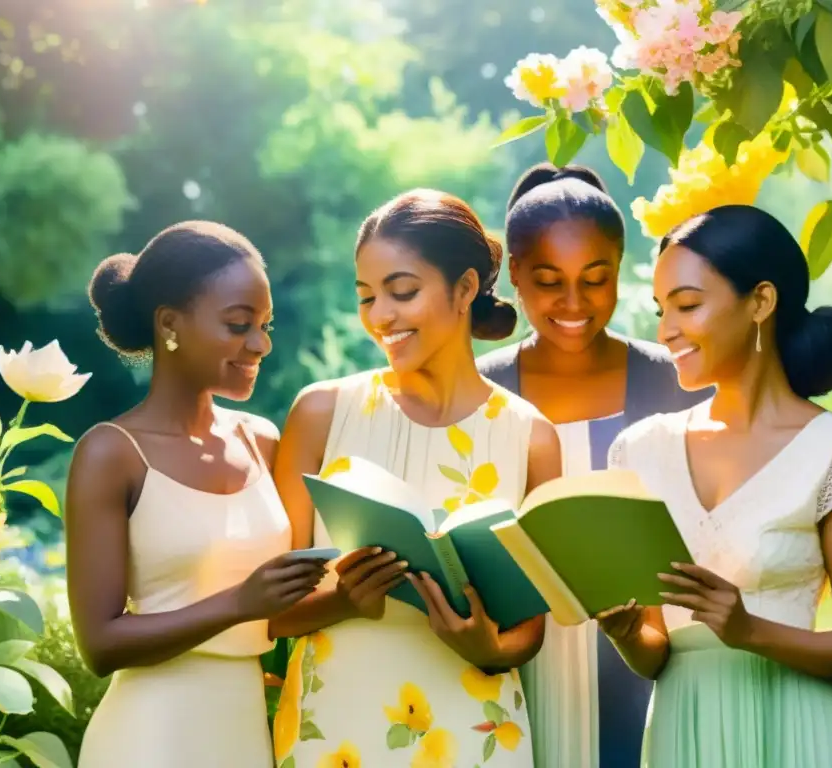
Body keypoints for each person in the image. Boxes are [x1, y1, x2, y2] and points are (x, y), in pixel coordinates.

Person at [267, 189, 561, 768]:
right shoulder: (322, 413)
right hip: (336, 727)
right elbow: (270, 610)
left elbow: (532, 627)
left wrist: (492, 647)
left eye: (402, 292)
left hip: (477, 728)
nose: (381, 316)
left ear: (466, 288)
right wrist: (345, 599)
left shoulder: (531, 436)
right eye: (368, 296)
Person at [598, 205, 832, 768]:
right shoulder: (639, 450)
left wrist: (749, 629)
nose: (666, 331)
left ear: (760, 301)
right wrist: (629, 632)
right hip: (684, 730)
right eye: (661, 310)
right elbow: (659, 654)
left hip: (798, 733)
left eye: (687, 305)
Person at [67, 222, 327, 768]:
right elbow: (99, 644)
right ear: (169, 324)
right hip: (150, 737)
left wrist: (354, 596)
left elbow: (275, 613)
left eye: (264, 325)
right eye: (239, 324)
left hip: (243, 734)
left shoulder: (262, 441)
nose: (260, 344)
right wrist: (239, 603)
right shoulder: (111, 454)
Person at [477, 163, 708, 768]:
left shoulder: (677, 380)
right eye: (549, 281)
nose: (574, 303)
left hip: (653, 669)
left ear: (622, 272)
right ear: (517, 276)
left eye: (596, 279)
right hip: (517, 676)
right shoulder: (480, 390)